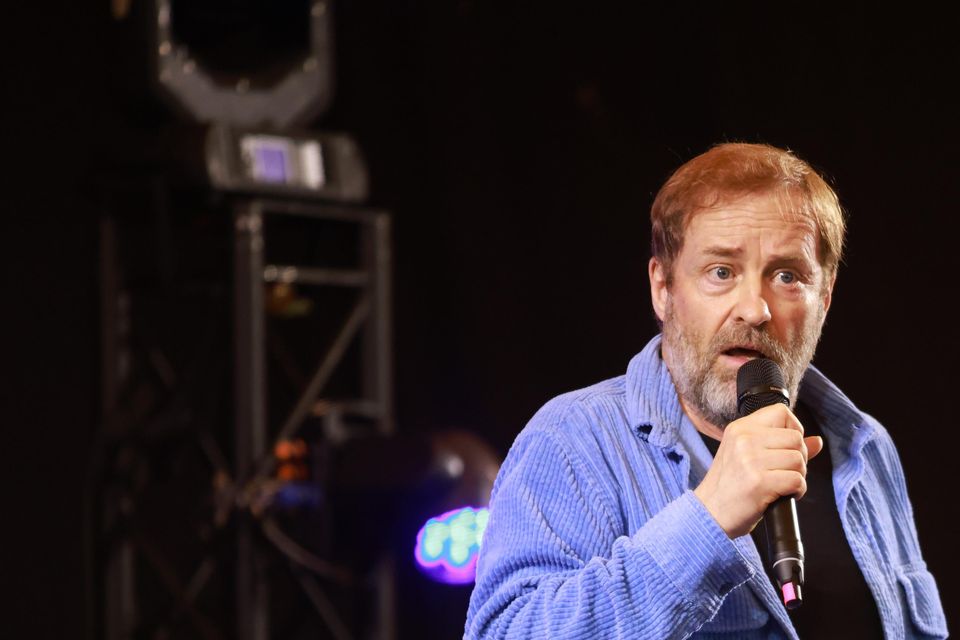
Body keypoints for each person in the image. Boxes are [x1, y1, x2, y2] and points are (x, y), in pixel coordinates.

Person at [463, 143, 948, 639]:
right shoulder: (570, 442)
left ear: (824, 298)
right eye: (722, 272)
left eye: (787, 276)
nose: (754, 309)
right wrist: (709, 519)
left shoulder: (865, 446)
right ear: (663, 288)